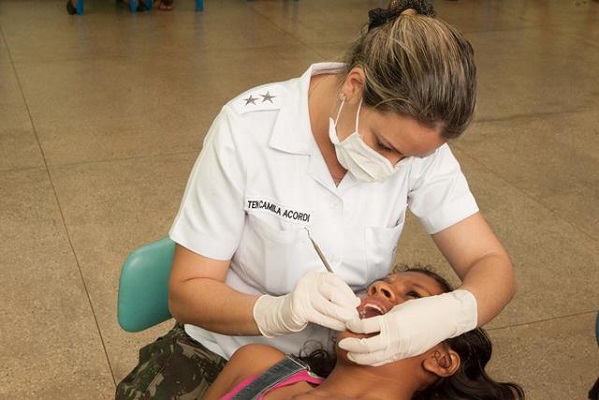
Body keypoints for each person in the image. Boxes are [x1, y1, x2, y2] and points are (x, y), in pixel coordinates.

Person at [116, 0, 517, 398]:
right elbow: (187, 291)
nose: (395, 168)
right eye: (384, 145)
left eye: (411, 158)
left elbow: (491, 265)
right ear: (353, 86)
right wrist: (275, 312)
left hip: (342, 362)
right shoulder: (248, 130)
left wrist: (444, 316)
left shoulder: (417, 147)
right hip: (225, 347)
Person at [203, 267, 525, 400]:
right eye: (379, 285)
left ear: (439, 360)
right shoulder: (260, 366)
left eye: (412, 297)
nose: (379, 287)